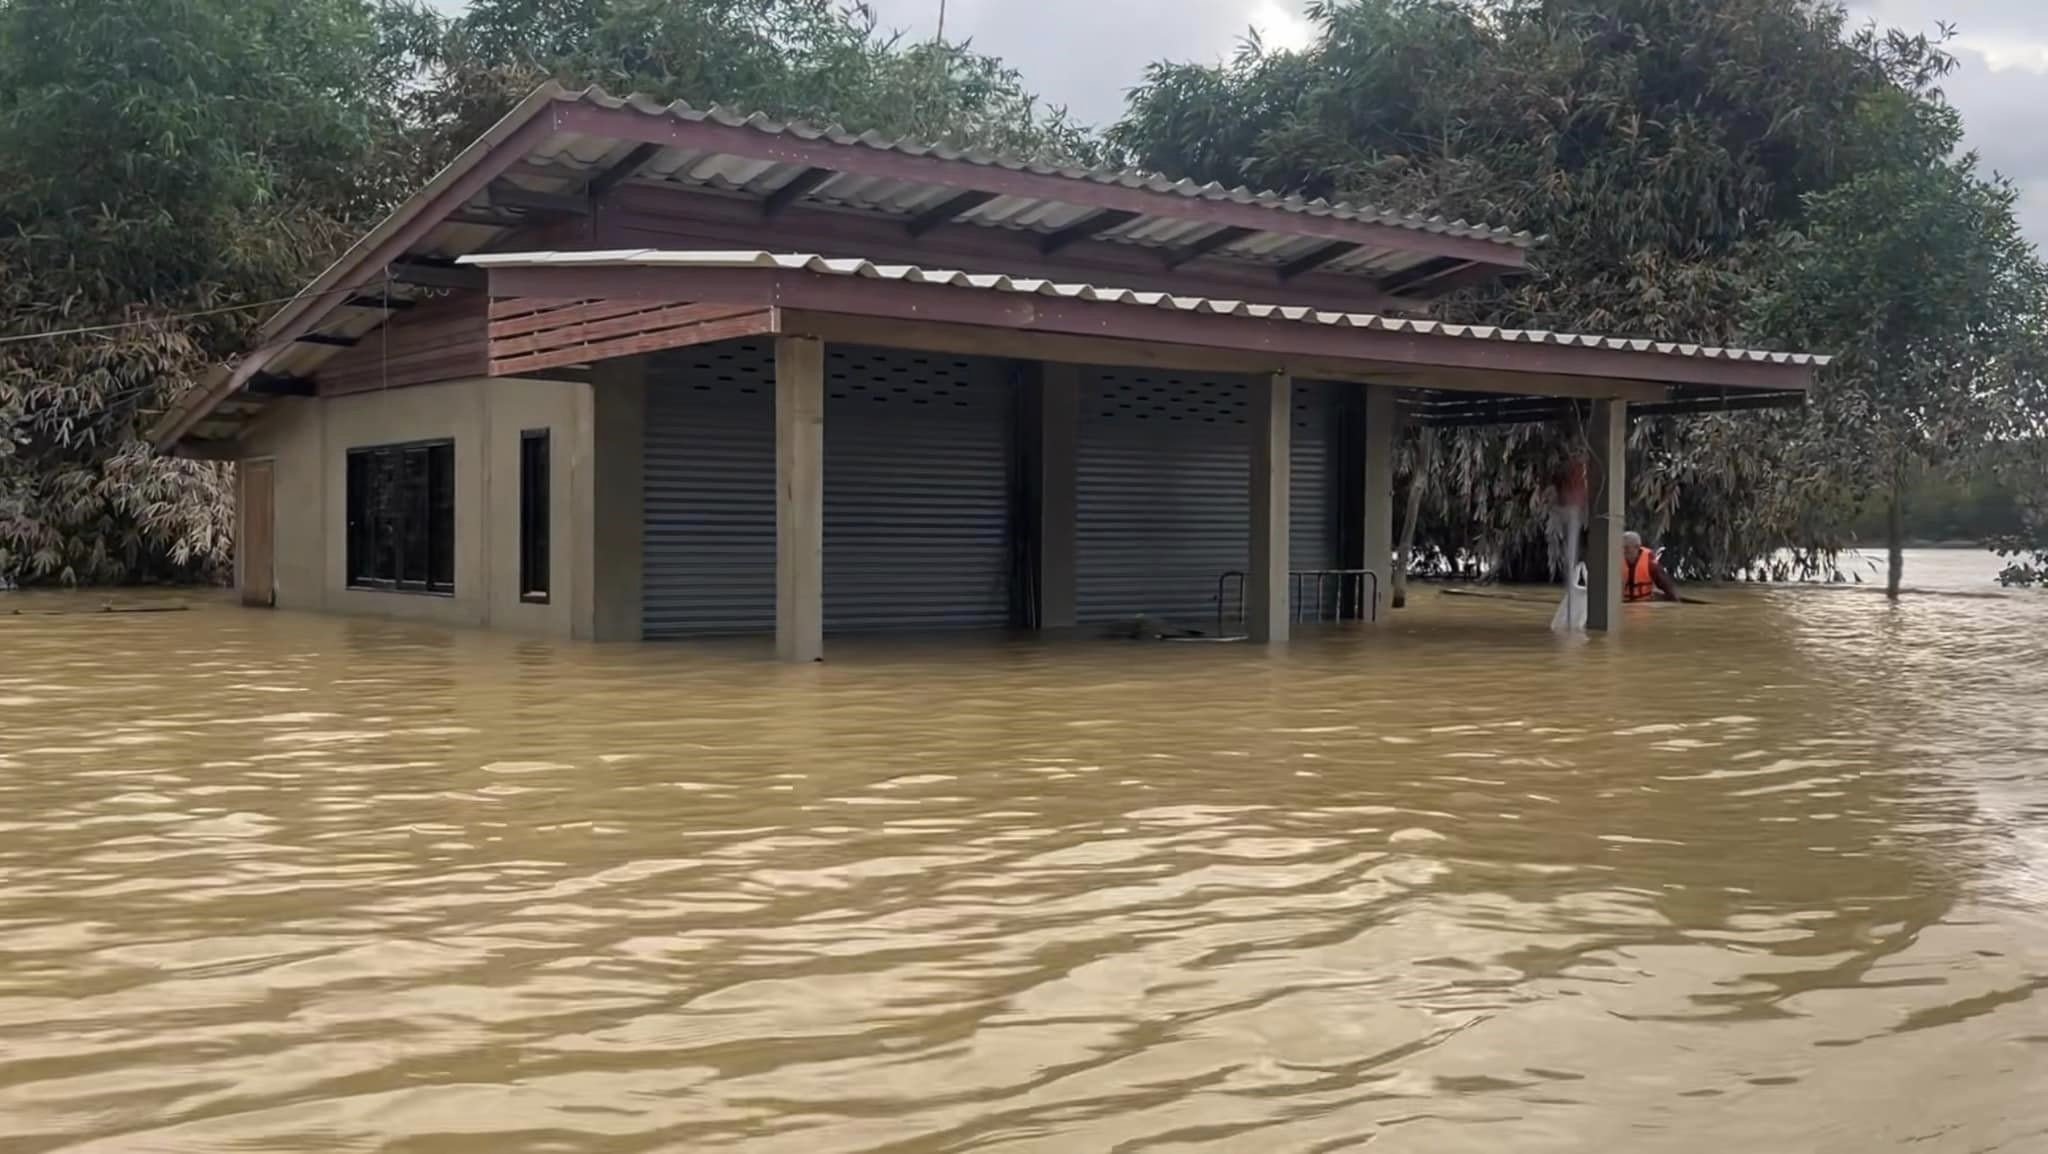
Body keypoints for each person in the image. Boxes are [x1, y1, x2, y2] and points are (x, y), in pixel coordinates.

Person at [1623, 531, 1682, 602]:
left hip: (1644, 603)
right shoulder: (1616, 561)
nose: (1623, 551)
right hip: (1623, 603)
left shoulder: (1650, 563)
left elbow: (1666, 584)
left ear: (1637, 547)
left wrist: (1676, 601)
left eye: (1626, 548)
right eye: (1621, 547)